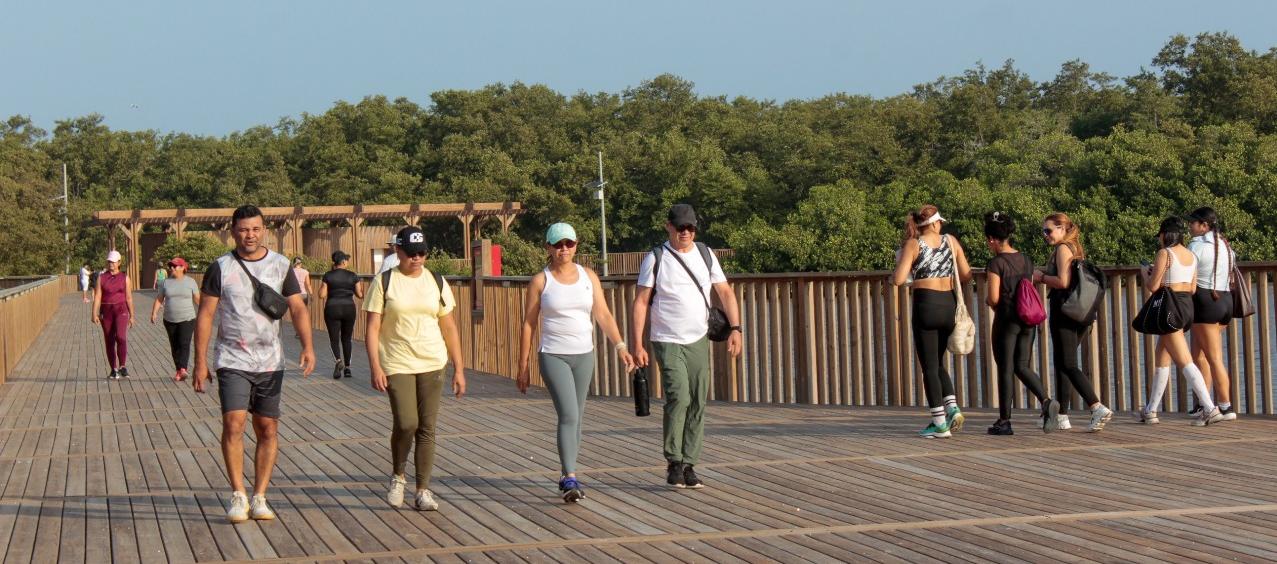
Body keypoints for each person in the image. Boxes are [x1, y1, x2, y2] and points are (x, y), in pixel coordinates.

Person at [192, 205, 315, 524]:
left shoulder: (280, 265)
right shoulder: (220, 267)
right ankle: (238, 494)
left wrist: (308, 346)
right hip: (232, 359)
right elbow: (205, 315)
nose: (250, 235)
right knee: (233, 423)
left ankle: (259, 495)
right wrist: (200, 362)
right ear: (232, 231)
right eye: (244, 229)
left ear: (265, 231)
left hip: (271, 360)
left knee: (267, 428)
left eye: (256, 229)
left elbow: (298, 309)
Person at [516, 223, 635, 503]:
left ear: (576, 245)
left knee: (577, 417)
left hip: (584, 354)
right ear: (548, 248)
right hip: (553, 354)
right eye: (558, 245)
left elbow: (603, 314)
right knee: (569, 414)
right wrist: (522, 366)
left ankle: (567, 472)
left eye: (569, 244)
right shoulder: (540, 281)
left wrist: (621, 346)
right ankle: (569, 476)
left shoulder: (588, 276)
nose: (564, 249)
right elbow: (529, 324)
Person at [632, 204, 743, 489]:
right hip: (666, 339)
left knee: (697, 400)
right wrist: (637, 343)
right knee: (678, 396)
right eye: (680, 227)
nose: (686, 233)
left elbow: (726, 292)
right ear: (668, 226)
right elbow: (642, 301)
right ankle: (674, 462)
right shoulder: (656, 258)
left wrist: (736, 329)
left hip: (697, 338)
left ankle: (690, 464)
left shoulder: (706, 255)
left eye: (690, 228)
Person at [365, 226, 466, 512]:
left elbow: (449, 325)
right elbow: (372, 328)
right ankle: (398, 474)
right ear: (398, 251)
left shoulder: (436, 280)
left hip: (433, 361)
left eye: (422, 253)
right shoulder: (384, 282)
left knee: (427, 427)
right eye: (411, 253)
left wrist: (459, 367)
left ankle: (423, 489)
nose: (417, 259)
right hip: (397, 361)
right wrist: (375, 366)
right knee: (407, 422)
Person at [1135, 217, 1226, 426]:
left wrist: (1144, 273)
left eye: (1159, 235)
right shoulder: (1191, 255)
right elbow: (1193, 288)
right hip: (1186, 307)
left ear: (1165, 235)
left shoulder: (1164, 253)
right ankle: (1150, 410)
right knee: (1162, 357)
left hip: (1169, 308)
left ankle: (1209, 408)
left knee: (1184, 361)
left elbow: (1153, 286)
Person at [890, 205, 971, 438]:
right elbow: (966, 275)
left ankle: (939, 422)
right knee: (937, 362)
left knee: (929, 367)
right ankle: (952, 408)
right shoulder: (951, 241)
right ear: (935, 223)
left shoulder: (914, 244)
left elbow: (898, 279)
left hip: (926, 305)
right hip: (948, 305)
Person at [1032, 213, 1113, 432]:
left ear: (1061, 229)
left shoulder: (1062, 249)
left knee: (1068, 363)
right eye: (1043, 231)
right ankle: (1062, 416)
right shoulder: (1076, 247)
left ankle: (1096, 406)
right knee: (1062, 362)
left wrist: (1039, 277)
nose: (1045, 235)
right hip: (1080, 313)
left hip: (1065, 311)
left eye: (1048, 230)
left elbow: (1063, 281)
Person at [982, 212, 1059, 436]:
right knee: (1022, 365)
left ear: (992, 239)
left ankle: (1004, 421)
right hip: (1028, 320)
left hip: (1006, 320)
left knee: (1006, 369)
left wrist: (988, 300)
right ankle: (1045, 401)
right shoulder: (1026, 259)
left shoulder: (996, 263)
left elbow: (994, 298)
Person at [1186, 207, 1238, 421]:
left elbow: (1187, 270)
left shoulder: (1197, 246)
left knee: (1214, 357)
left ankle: (1226, 407)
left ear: (1204, 225)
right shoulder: (1226, 246)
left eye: (1193, 223)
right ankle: (1203, 404)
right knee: (1200, 355)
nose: (1190, 226)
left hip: (1206, 302)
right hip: (1226, 301)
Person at [150, 258, 200, 381]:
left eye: (175, 266)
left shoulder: (191, 282)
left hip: (187, 318)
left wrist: (206, 312)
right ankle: (178, 369)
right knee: (175, 345)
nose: (172, 268)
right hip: (169, 319)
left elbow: (197, 299)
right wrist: (154, 313)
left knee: (184, 343)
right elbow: (159, 299)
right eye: (171, 266)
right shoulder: (165, 283)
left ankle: (183, 368)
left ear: (183, 268)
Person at [320, 250, 363, 379]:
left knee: (334, 338)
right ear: (344, 261)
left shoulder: (328, 275)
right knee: (347, 338)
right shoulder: (353, 275)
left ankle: (339, 361)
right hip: (349, 308)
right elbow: (360, 295)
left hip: (332, 308)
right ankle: (348, 369)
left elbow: (321, 295)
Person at [92, 250, 134, 380]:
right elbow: (98, 296)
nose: (111, 264)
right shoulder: (101, 277)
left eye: (113, 261)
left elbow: (129, 297)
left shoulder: (125, 278)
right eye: (109, 261)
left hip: (121, 310)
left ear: (119, 262)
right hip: (106, 311)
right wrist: (94, 313)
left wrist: (132, 315)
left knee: (121, 337)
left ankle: (122, 366)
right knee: (109, 340)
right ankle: (113, 369)